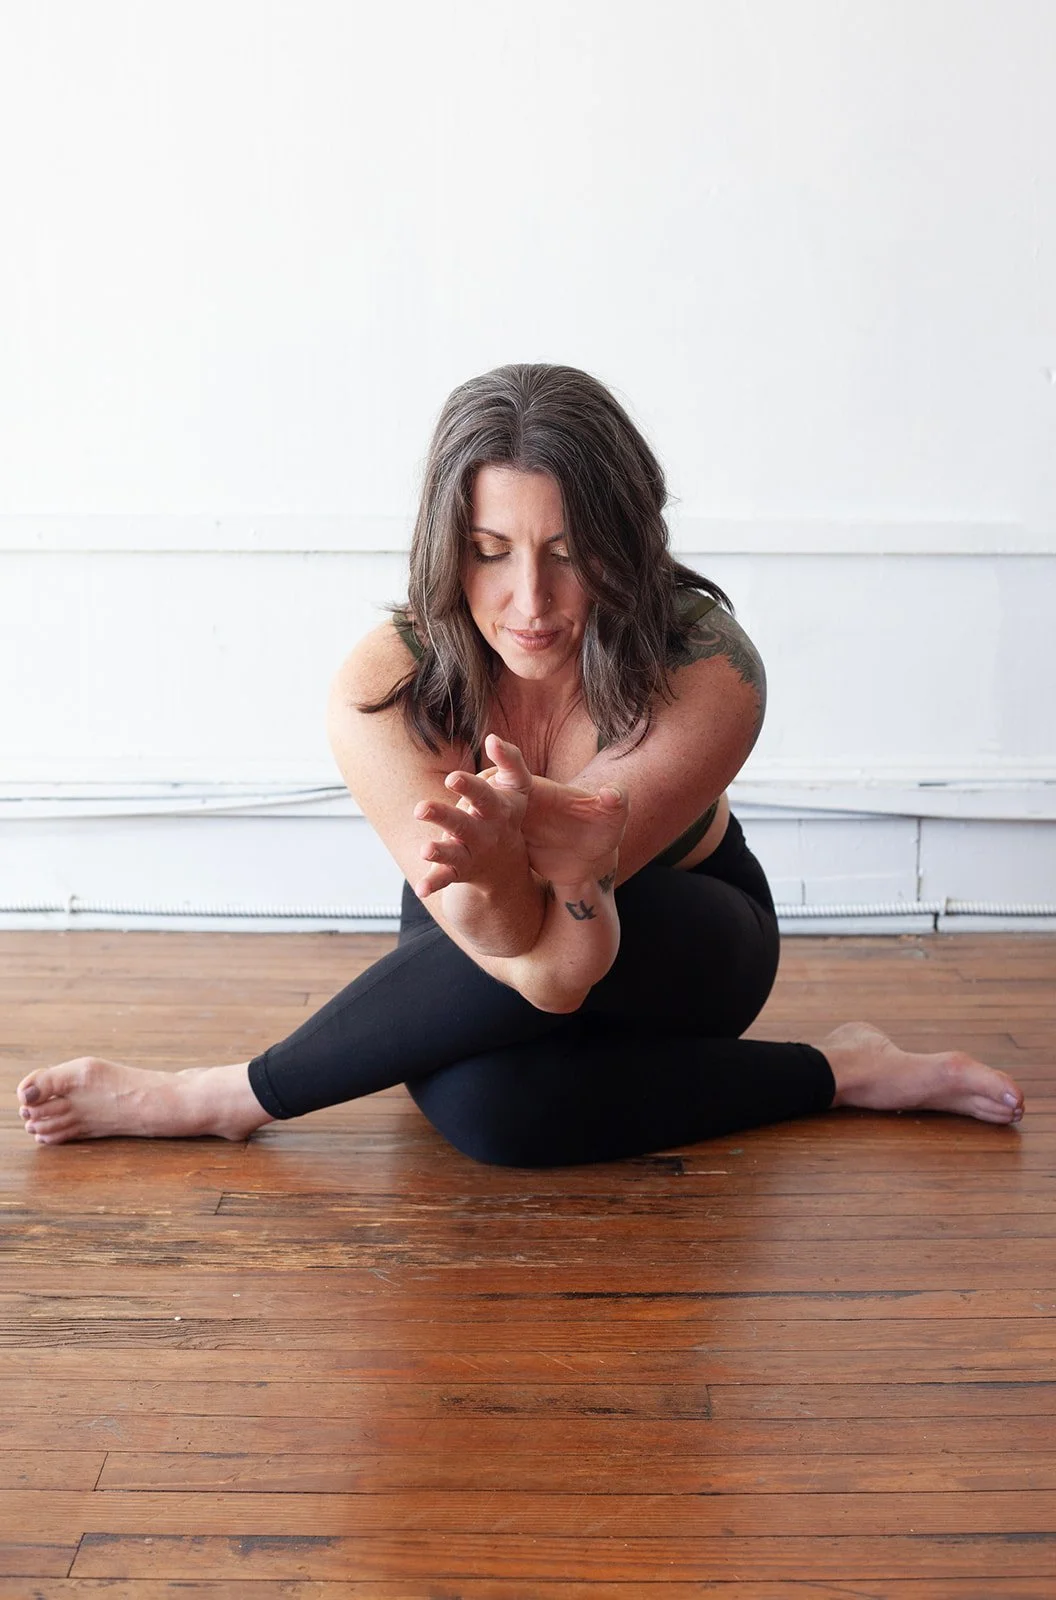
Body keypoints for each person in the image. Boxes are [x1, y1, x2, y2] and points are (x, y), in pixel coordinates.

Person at [16, 363, 1025, 1157]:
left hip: (687, 929)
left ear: (624, 541)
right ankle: (837, 1070)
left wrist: (575, 873)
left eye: (568, 550)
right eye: (491, 549)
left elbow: (559, 970)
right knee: (502, 1119)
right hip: (492, 925)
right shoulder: (382, 686)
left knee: (513, 1016)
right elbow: (528, 964)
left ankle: (216, 1097)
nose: (530, 603)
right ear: (447, 545)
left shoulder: (711, 668)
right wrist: (506, 875)